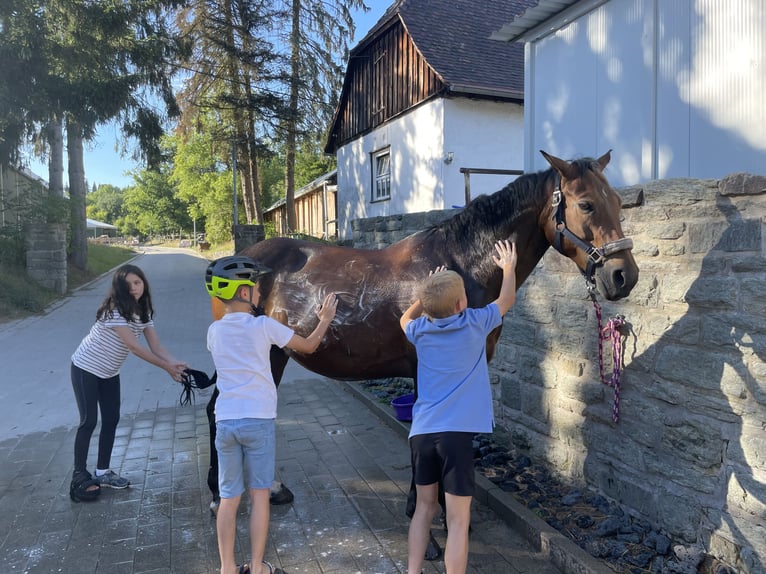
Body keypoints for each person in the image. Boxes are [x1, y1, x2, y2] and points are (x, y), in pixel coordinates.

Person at [205, 256, 337, 574]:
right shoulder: (263, 326)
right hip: (258, 421)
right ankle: (257, 567)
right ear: (245, 292)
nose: (260, 291)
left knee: (228, 498)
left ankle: (226, 568)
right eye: (255, 286)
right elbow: (307, 345)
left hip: (225, 422)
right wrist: (325, 318)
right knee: (260, 496)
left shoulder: (214, 332)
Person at [399, 239, 518, 574]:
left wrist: (423, 298)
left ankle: (412, 571)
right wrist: (508, 268)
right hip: (455, 438)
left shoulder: (420, 329)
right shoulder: (474, 323)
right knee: (457, 518)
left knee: (424, 508)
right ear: (460, 304)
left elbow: (403, 320)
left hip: (421, 435)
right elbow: (506, 299)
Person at [70, 264, 187, 502]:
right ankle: (79, 475)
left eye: (138, 283)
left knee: (112, 419)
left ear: (144, 283)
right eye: (129, 285)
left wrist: (177, 364)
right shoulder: (114, 310)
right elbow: (134, 348)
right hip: (86, 368)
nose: (134, 288)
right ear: (119, 289)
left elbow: (156, 346)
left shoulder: (143, 311)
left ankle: (103, 472)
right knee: (89, 421)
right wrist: (165, 367)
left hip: (110, 372)